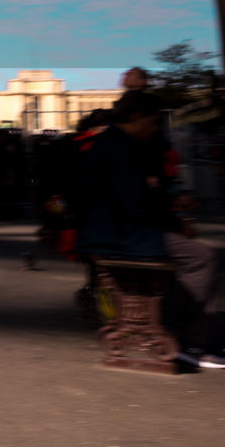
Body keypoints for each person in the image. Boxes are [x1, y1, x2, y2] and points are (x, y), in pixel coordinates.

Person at [77, 91, 223, 368]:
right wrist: (175, 222)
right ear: (135, 118)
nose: (155, 128)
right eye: (153, 122)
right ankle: (188, 339)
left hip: (117, 231)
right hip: (120, 235)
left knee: (192, 256)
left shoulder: (116, 143)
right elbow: (134, 203)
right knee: (202, 258)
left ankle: (179, 327)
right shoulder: (118, 148)